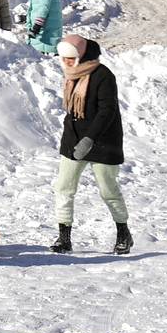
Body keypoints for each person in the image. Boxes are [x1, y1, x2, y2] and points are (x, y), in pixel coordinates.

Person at [49, 34, 133, 255]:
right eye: (64, 58)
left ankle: (123, 233)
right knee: (63, 188)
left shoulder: (103, 75)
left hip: (103, 142)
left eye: (71, 57)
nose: (66, 62)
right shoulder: (71, 75)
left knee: (108, 191)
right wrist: (73, 139)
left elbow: (108, 111)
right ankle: (64, 237)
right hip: (73, 141)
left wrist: (89, 139)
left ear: (82, 55)